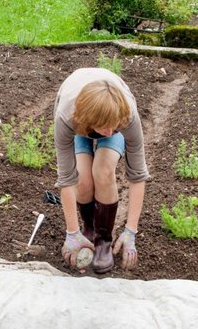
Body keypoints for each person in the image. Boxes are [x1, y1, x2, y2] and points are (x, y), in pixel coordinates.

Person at [53, 67, 149, 273]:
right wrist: (72, 232)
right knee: (83, 178)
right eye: (104, 128)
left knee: (103, 171)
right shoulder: (66, 117)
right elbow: (66, 179)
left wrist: (131, 230)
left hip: (109, 113)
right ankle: (89, 229)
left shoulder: (126, 117)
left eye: (113, 127)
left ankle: (103, 239)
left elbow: (138, 175)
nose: (109, 132)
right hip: (81, 121)